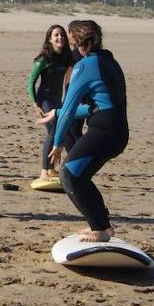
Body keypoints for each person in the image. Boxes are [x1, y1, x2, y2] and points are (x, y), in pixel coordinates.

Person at [40, 20, 129, 243]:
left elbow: (70, 108)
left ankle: (99, 228)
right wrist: (57, 113)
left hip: (104, 129)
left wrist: (58, 142)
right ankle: (103, 227)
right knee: (81, 176)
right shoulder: (109, 61)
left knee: (68, 174)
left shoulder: (84, 66)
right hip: (117, 129)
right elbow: (96, 105)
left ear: (74, 39)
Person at [28, 25, 74, 181]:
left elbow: (69, 80)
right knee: (54, 130)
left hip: (57, 100)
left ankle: (51, 169)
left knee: (57, 132)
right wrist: (36, 105)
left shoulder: (67, 57)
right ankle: (43, 172)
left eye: (62, 35)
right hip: (44, 100)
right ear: (50, 39)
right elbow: (31, 83)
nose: (60, 37)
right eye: (56, 35)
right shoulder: (44, 59)